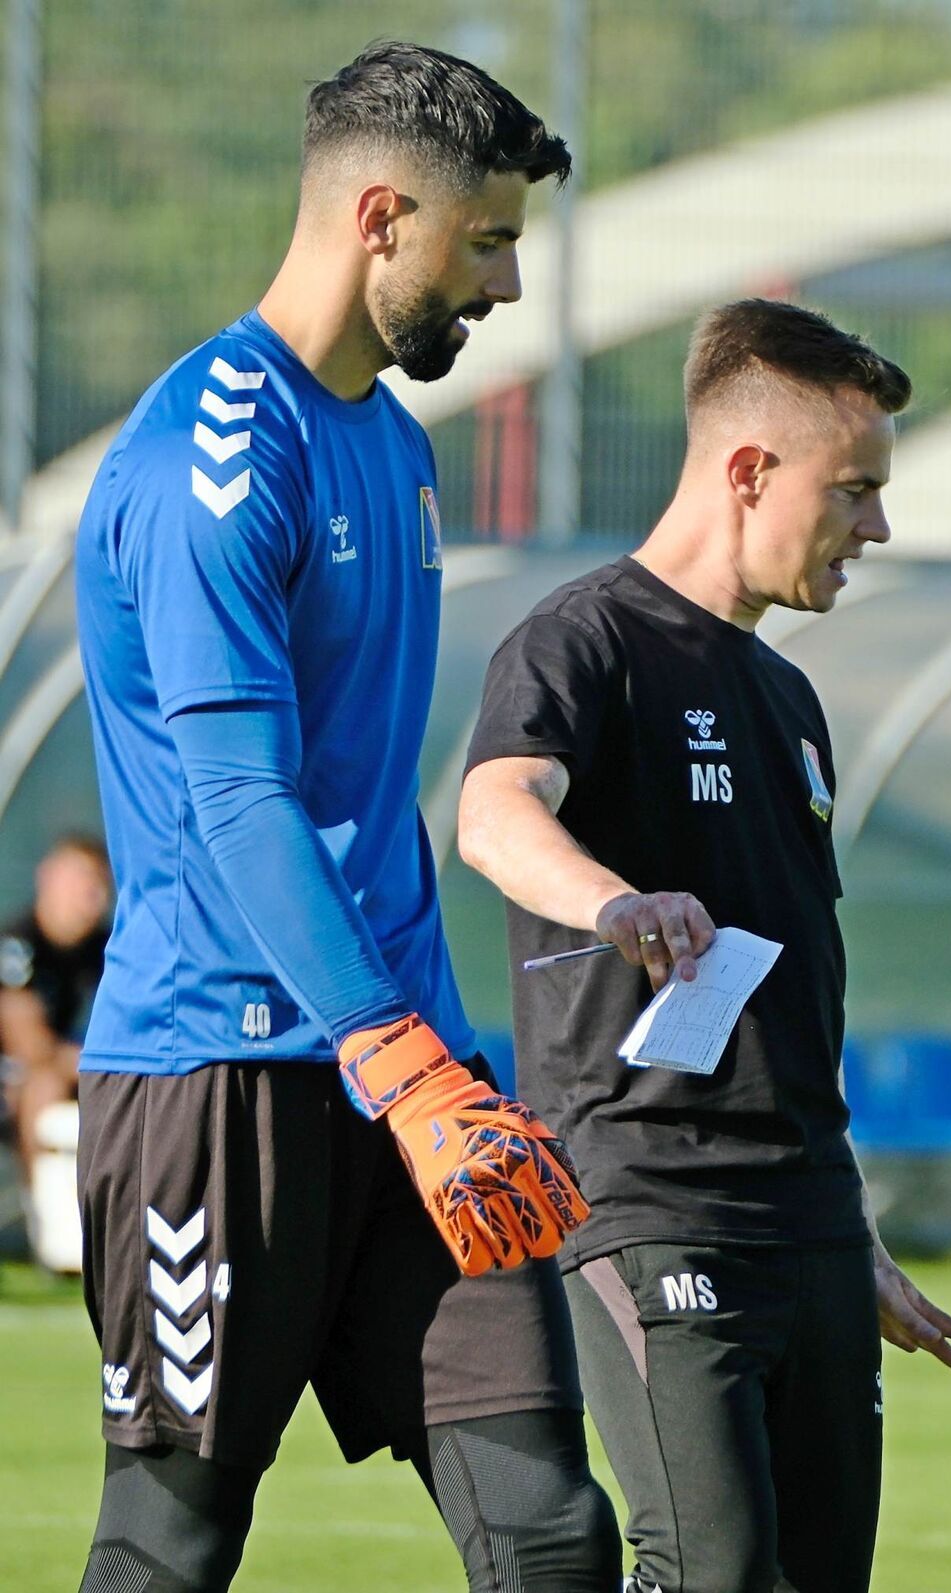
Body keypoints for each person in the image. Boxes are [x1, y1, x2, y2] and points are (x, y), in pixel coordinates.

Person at [73, 42, 619, 1593]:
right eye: (490, 239)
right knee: (173, 1536)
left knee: (549, 1527)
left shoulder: (391, 439)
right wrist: (401, 1060)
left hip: (403, 1069)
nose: (507, 284)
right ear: (384, 215)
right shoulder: (210, 459)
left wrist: (417, 1063)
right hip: (216, 1073)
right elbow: (240, 800)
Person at [459, 299, 951, 1593]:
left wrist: (853, 1227)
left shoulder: (788, 697)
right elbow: (493, 812)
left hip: (808, 1221)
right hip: (652, 1205)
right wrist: (610, 902)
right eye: (857, 490)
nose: (878, 526)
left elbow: (795, 995)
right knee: (712, 1568)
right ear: (751, 472)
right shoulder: (584, 642)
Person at [0, 834, 111, 1272]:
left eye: (97, 885)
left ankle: (103, 1234)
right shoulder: (18, 946)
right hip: (22, 1079)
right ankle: (44, 1229)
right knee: (40, 1087)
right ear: (48, 880)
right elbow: (32, 1048)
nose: (89, 897)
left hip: (76, 1072)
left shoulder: (107, 951)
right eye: (78, 882)